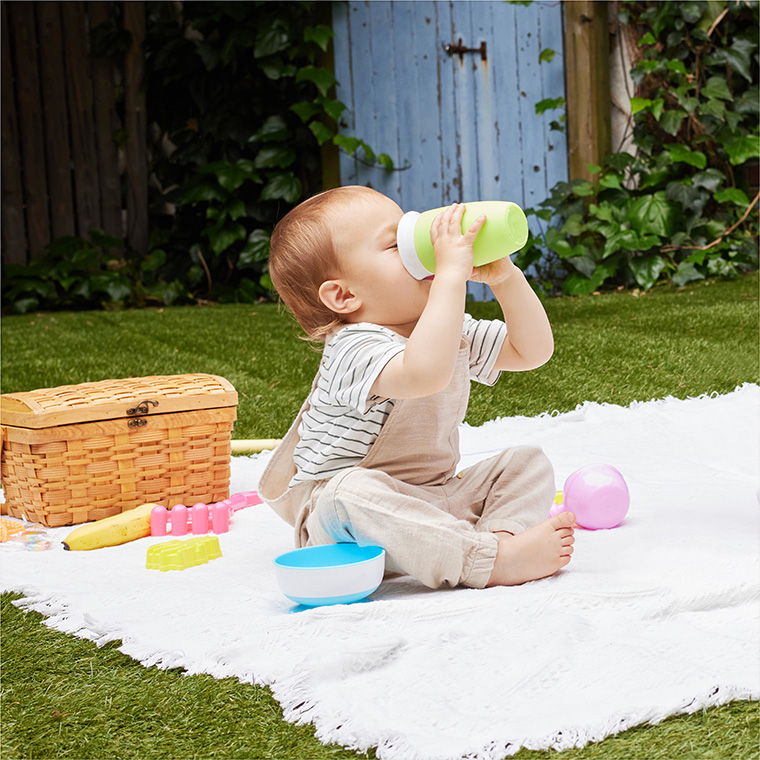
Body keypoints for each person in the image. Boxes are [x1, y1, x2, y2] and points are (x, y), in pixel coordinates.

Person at [258, 185, 575, 589]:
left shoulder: (444, 329)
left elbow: (531, 351)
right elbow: (424, 371)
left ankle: (498, 541)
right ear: (344, 295)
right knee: (347, 493)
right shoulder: (353, 346)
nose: (420, 247)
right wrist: (449, 275)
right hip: (348, 521)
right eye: (395, 244)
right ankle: (486, 562)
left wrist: (505, 278)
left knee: (526, 462)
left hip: (433, 498)